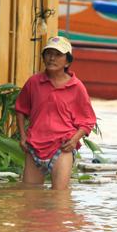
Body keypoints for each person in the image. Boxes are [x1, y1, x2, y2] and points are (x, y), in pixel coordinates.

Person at [15, 36, 97, 190]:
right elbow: (20, 109)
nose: (52, 58)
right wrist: (23, 137)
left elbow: (87, 121)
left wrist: (74, 141)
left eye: (58, 55)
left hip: (62, 147)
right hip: (34, 147)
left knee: (60, 197)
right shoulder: (34, 82)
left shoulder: (77, 87)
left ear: (67, 62)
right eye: (48, 53)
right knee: (29, 196)